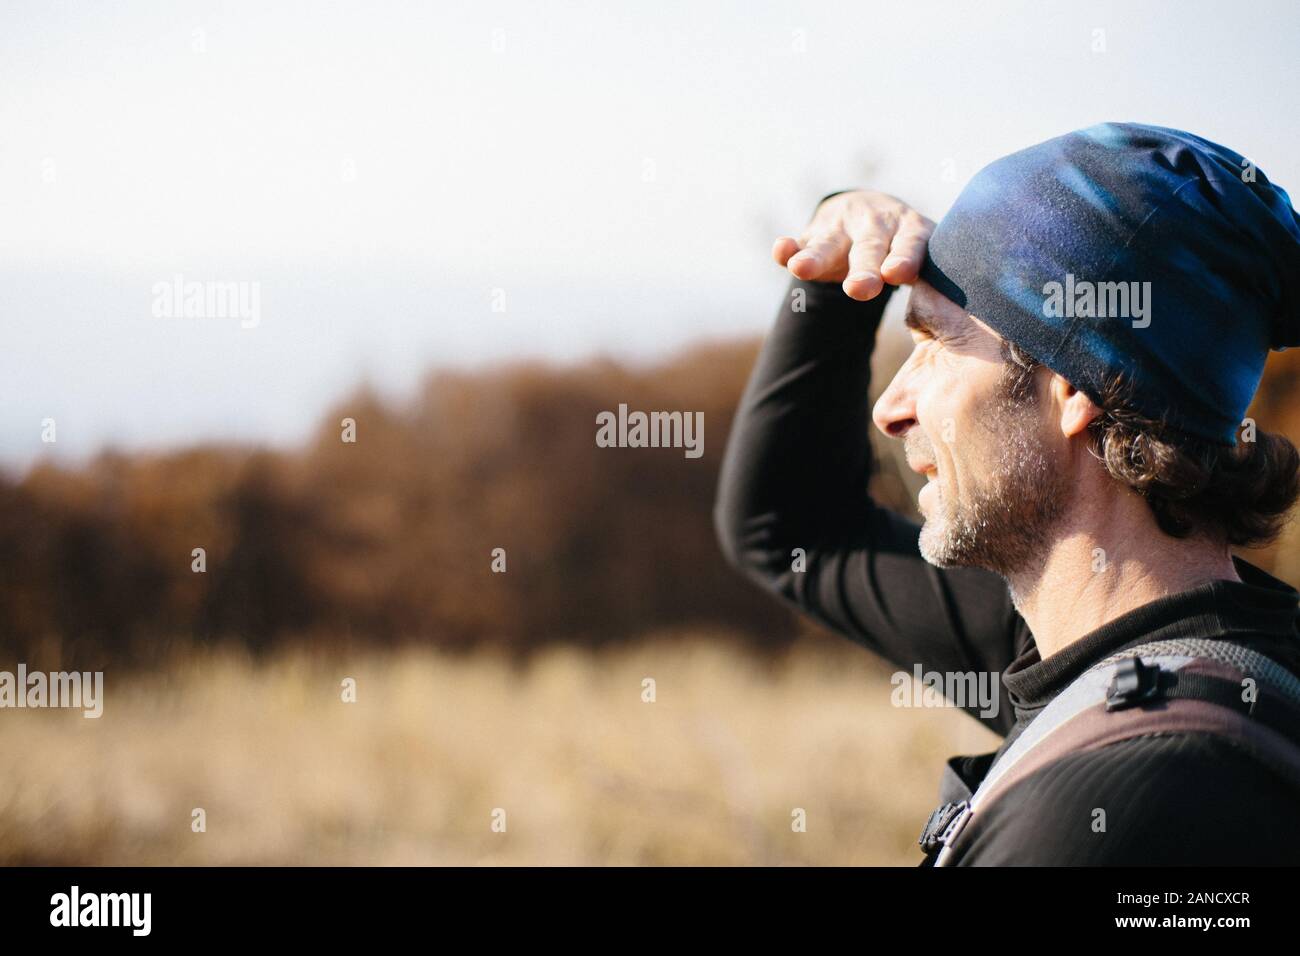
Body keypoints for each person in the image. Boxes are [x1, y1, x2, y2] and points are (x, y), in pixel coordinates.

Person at [714, 122, 1300, 865]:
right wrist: (839, 277)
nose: (890, 407)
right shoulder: (1101, 649)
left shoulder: (1124, 805)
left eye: (938, 343)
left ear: (1074, 390)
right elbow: (797, 531)